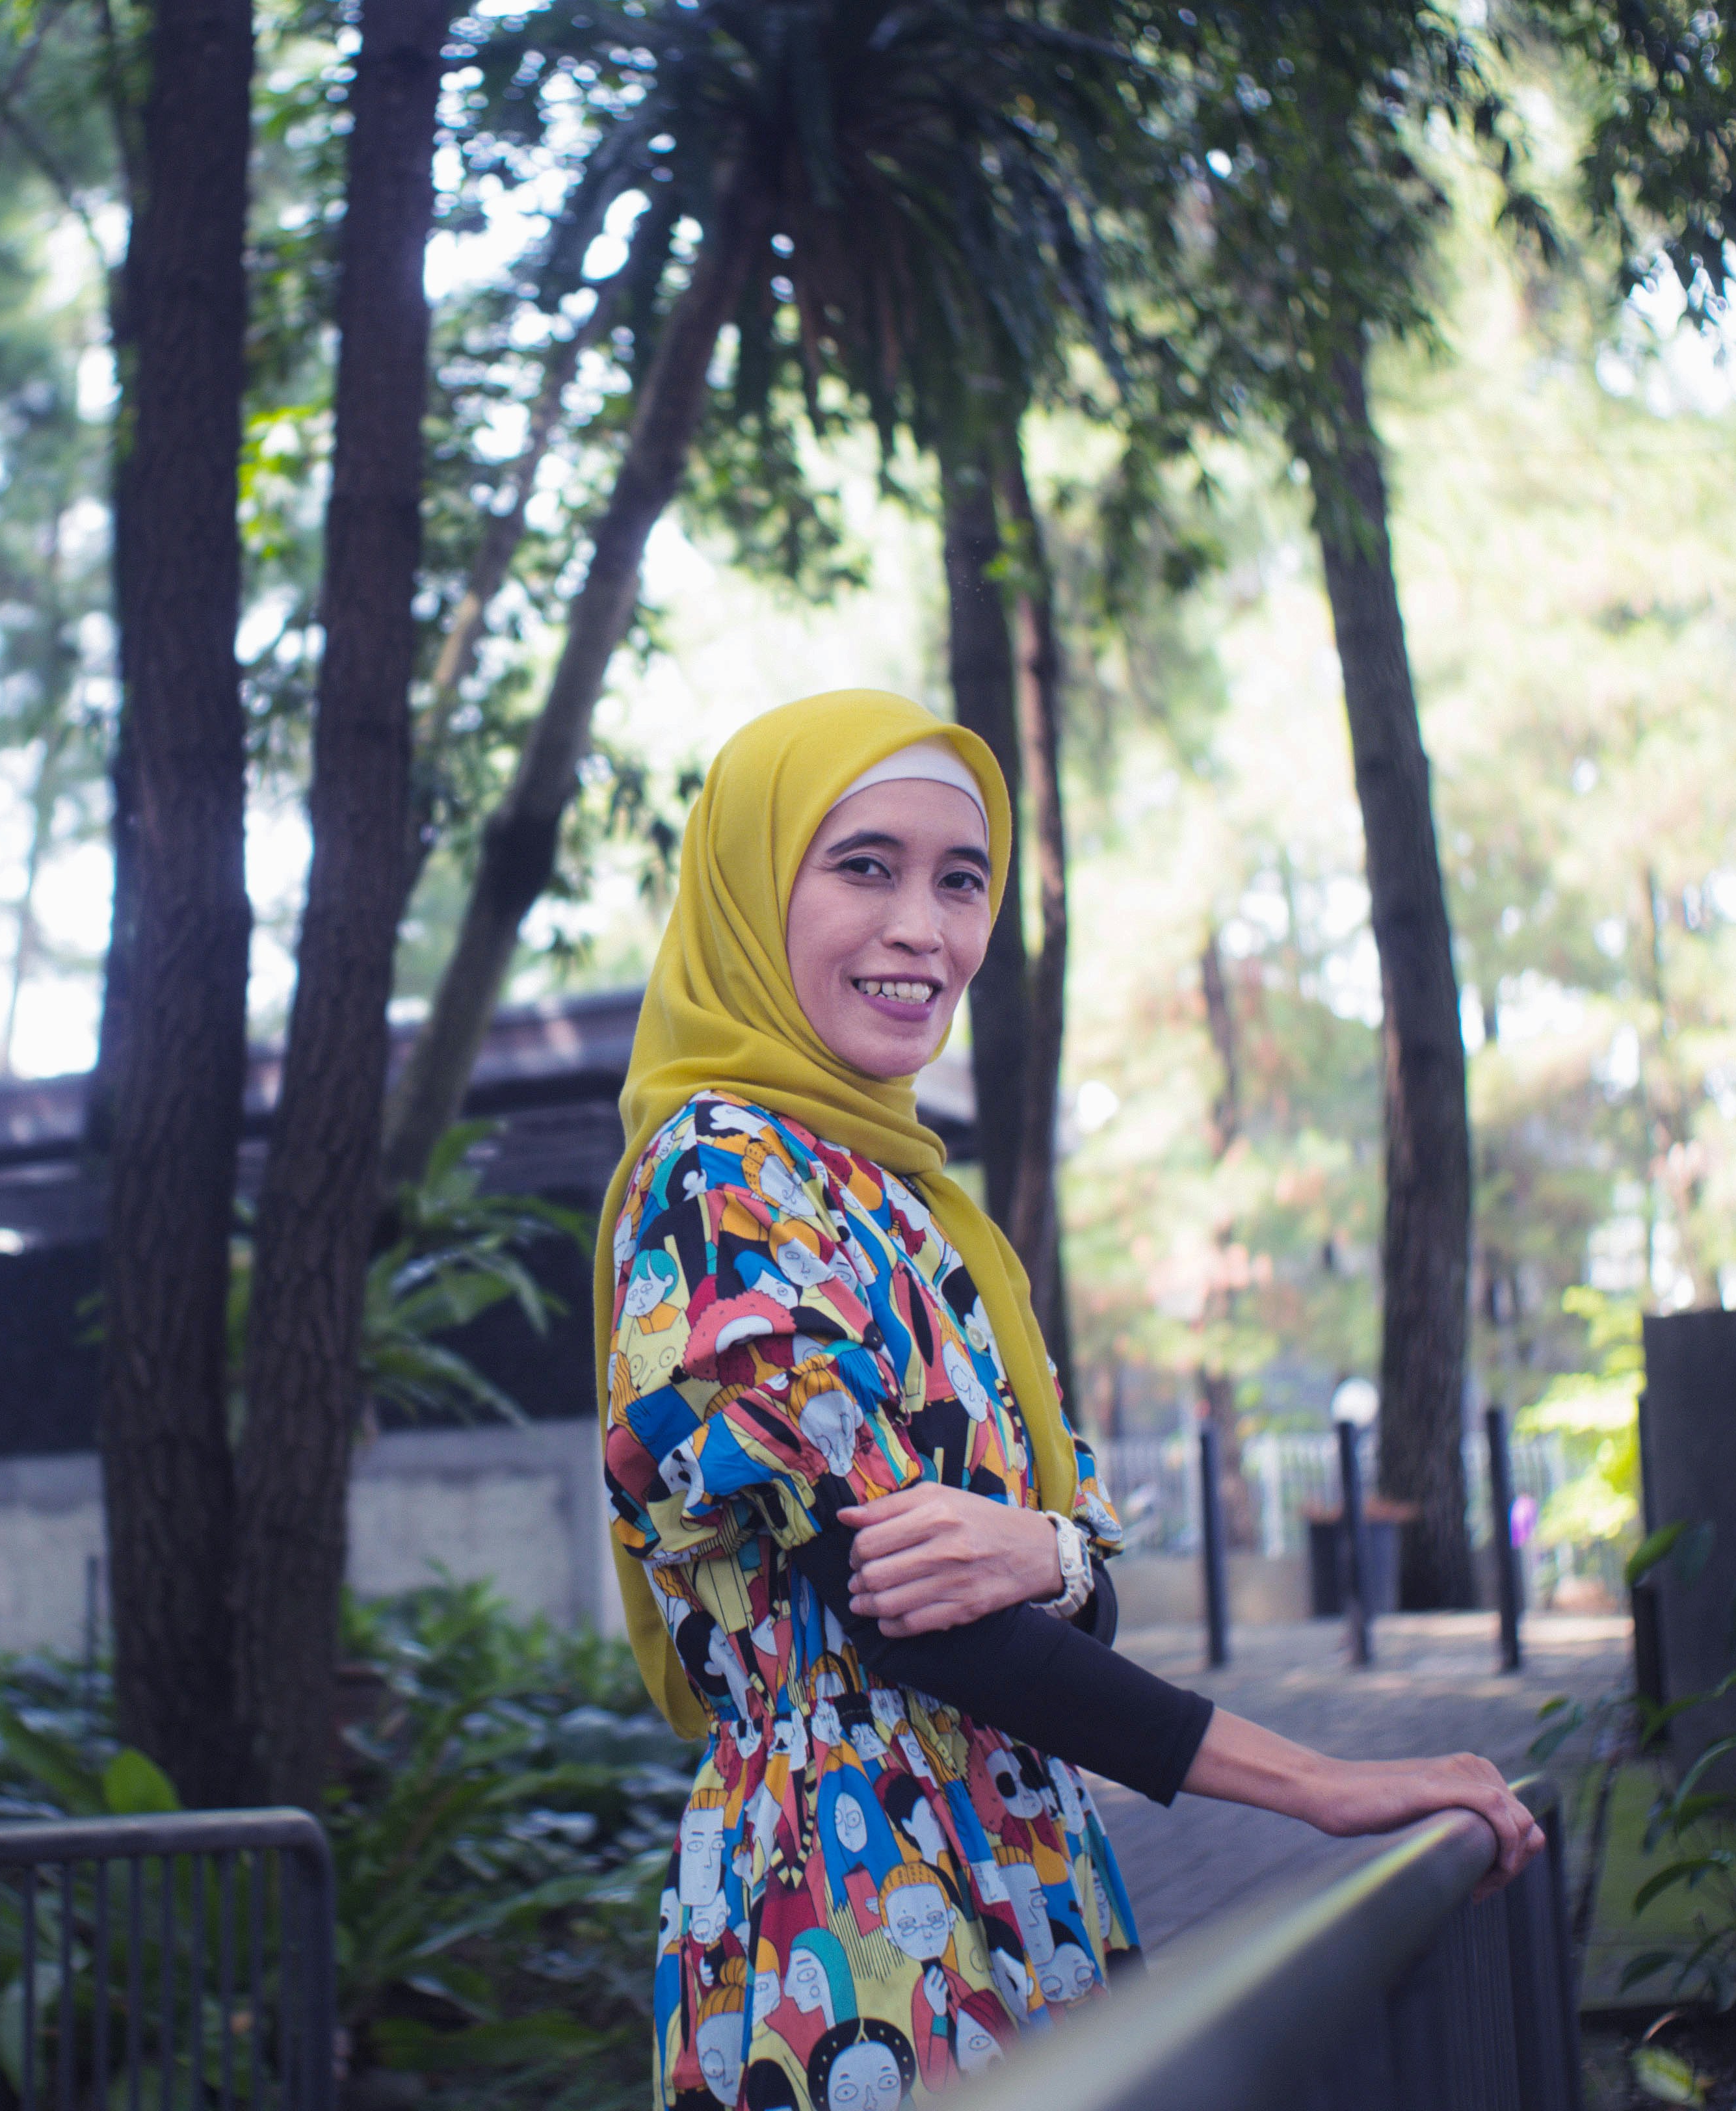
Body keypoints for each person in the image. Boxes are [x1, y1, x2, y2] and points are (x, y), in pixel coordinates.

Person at [601, 690, 1543, 2109]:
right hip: (851, 1906)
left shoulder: (913, 1206)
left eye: (960, 879)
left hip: (1023, 1858)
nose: (925, 925)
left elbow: (1065, 1594)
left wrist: (1052, 1550)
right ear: (748, 889)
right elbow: (924, 1624)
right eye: (865, 865)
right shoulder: (720, 1177)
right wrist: (1323, 1785)